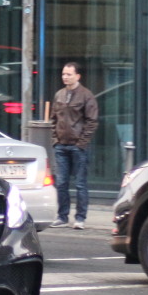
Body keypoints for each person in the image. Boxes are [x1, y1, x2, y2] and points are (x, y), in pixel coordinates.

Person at [49, 61, 99, 229]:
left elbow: (92, 121)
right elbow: (53, 119)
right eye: (63, 74)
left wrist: (81, 143)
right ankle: (62, 217)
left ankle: (80, 218)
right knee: (61, 183)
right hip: (61, 145)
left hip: (78, 147)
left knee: (80, 184)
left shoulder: (86, 95)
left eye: (69, 74)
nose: (65, 77)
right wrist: (55, 140)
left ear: (78, 76)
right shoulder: (59, 95)